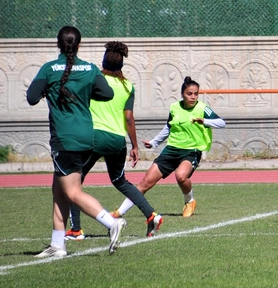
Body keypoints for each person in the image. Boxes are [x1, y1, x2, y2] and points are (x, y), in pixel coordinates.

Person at [26, 26, 127, 257]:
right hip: (85, 136)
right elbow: (107, 94)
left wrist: (50, 92)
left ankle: (112, 223)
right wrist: (83, 92)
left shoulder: (49, 69)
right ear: (79, 45)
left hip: (65, 138)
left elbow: (31, 97)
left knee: (71, 192)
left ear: (58, 44)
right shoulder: (90, 69)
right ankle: (58, 245)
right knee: (59, 190)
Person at [65, 42, 163, 240]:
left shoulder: (93, 79)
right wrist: (134, 145)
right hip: (117, 141)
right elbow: (128, 117)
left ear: (103, 61)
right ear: (122, 64)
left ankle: (75, 230)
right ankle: (152, 215)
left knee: (73, 183)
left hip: (92, 138)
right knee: (120, 180)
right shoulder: (128, 86)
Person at [113, 76, 225, 219]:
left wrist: (205, 121)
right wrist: (154, 142)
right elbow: (168, 127)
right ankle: (119, 212)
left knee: (181, 176)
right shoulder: (174, 107)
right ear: (182, 94)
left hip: (191, 151)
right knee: (145, 182)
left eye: (196, 94)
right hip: (171, 150)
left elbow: (221, 122)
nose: (193, 97)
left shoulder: (202, 108)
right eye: (189, 94)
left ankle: (189, 201)